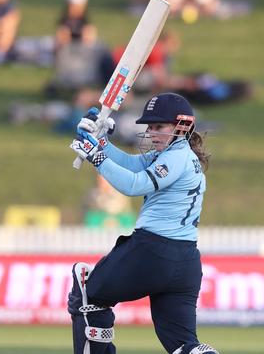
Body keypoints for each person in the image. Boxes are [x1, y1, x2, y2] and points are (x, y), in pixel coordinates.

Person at [68, 93, 219, 354]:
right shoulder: (176, 154)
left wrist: (96, 156)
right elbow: (130, 164)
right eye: (150, 127)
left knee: (87, 296)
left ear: (181, 126)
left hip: (152, 251)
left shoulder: (176, 157)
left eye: (158, 126)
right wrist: (99, 140)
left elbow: (134, 184)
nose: (151, 133)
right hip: (185, 264)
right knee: (184, 345)